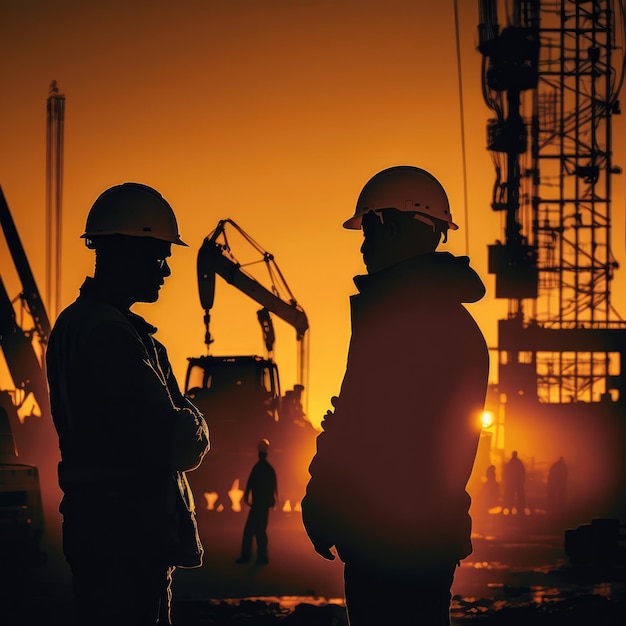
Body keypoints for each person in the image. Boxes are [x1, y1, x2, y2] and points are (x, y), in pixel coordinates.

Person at [301, 166, 489, 626]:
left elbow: (365, 431)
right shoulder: (449, 323)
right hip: (421, 540)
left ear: (391, 225)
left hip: (386, 541)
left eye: (367, 228)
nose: (363, 245)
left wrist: (324, 499)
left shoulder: (401, 322)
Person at [46, 183, 210, 626]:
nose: (167, 270)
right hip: (129, 535)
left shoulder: (74, 325)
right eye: (159, 256)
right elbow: (177, 443)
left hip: (100, 528)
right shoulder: (113, 335)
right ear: (123, 251)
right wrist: (194, 419)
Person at [236, 438, 278, 566]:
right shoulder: (269, 469)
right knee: (260, 530)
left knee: (250, 530)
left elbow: (250, 483)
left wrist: (246, 497)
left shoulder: (258, 468)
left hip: (258, 505)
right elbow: (274, 487)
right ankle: (261, 556)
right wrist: (273, 500)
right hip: (263, 505)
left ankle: (248, 556)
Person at [503, 450, 526, 515]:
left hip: (512, 484)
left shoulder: (510, 463)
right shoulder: (519, 463)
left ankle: (510, 509)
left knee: (510, 496)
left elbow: (506, 473)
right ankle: (521, 510)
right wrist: (522, 482)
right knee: (520, 497)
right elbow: (523, 473)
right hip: (518, 483)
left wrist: (507, 482)